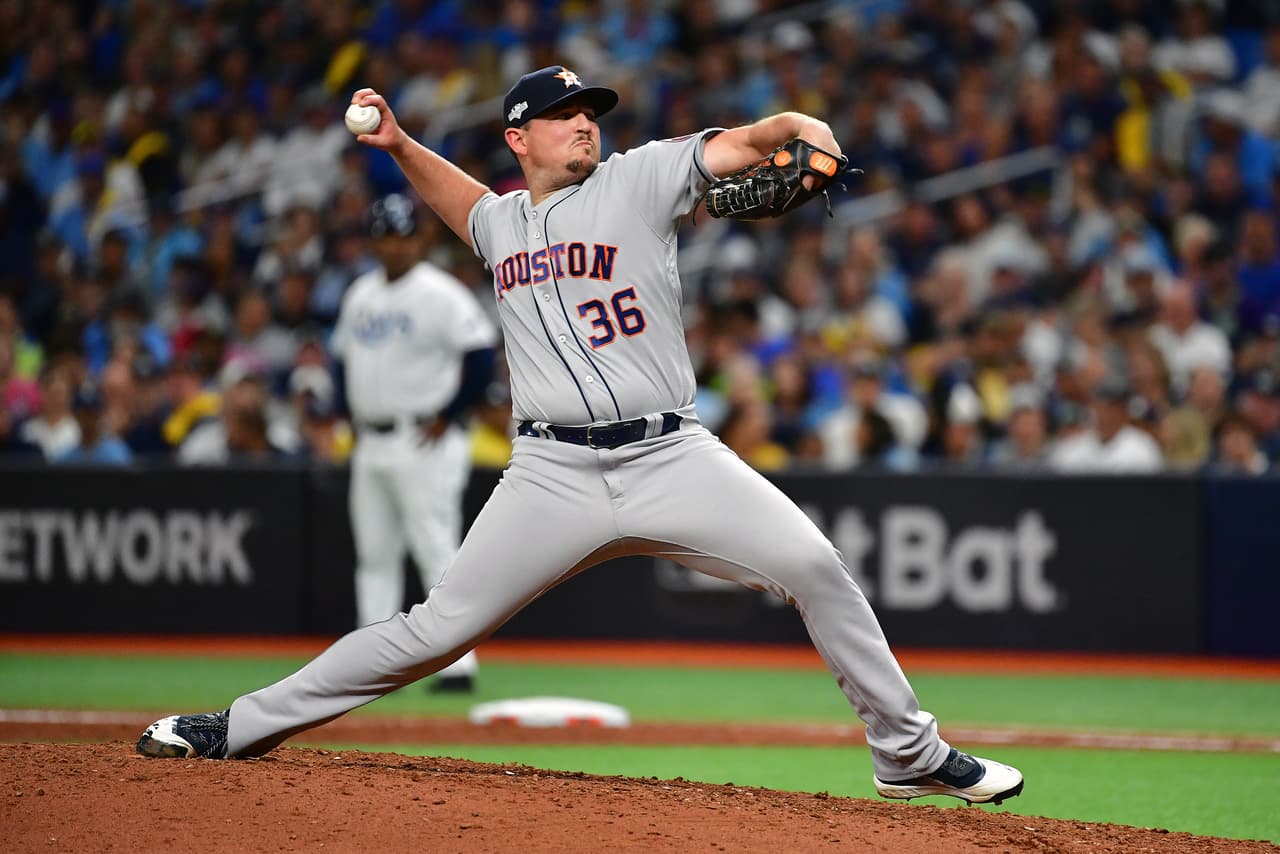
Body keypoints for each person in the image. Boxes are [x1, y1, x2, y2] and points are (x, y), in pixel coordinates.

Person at [135, 65, 1023, 806]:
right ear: (518, 138)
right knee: (434, 631)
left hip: (671, 455)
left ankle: (906, 754)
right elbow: (463, 202)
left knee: (815, 567)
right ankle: (237, 727)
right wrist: (400, 146)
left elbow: (752, 141)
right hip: (549, 473)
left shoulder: (641, 178)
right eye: (562, 115)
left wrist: (803, 127)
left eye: (589, 111)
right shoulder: (500, 223)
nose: (583, 124)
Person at [330, 193, 499, 692]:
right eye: (386, 237)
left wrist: (450, 414)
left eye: (403, 237)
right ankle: (368, 665)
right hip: (372, 439)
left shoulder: (440, 293)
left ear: (418, 240)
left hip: (423, 439)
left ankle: (457, 665)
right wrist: (346, 408)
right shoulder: (360, 294)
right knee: (374, 556)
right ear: (374, 242)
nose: (395, 246)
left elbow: (481, 355)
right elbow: (341, 357)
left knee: (435, 549)